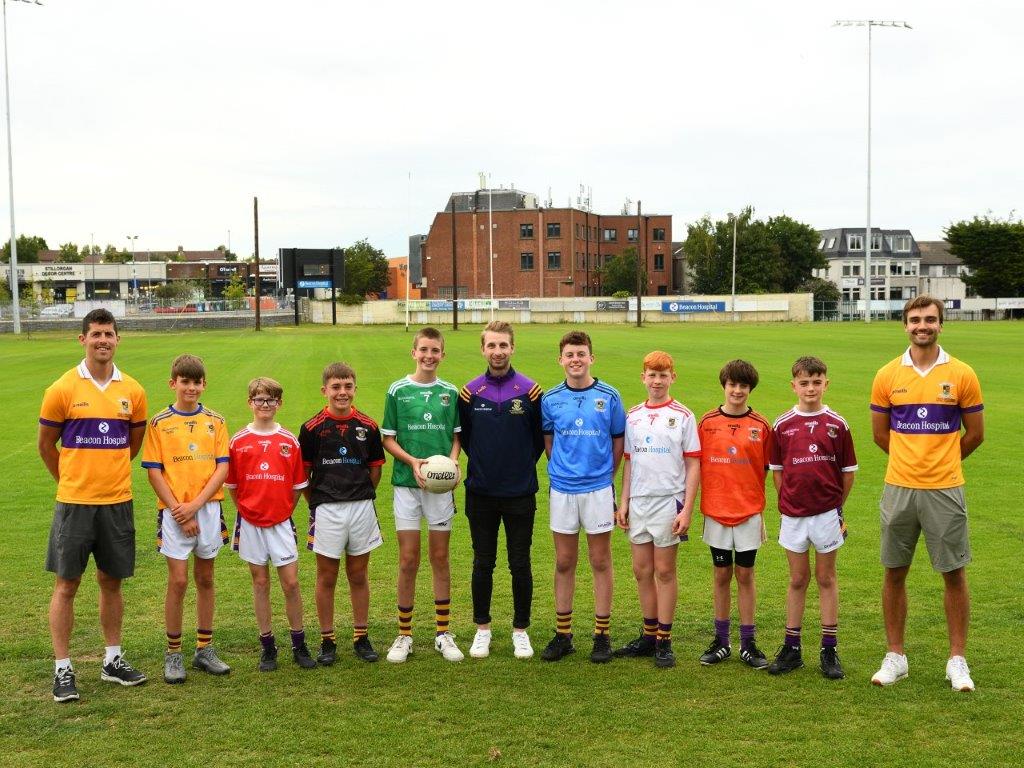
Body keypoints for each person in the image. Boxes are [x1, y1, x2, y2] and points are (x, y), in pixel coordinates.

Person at [869, 295, 984, 692]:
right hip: (899, 487)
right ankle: (895, 657)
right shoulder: (887, 375)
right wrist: (910, 461)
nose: (923, 326)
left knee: (953, 573)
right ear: (905, 325)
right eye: (916, 320)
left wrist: (944, 461)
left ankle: (957, 660)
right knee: (894, 571)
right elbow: (880, 435)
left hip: (945, 489)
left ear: (941, 325)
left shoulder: (963, 373)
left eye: (930, 320)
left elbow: (976, 434)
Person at [39, 308, 149, 702]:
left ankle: (112, 660)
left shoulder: (132, 391)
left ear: (118, 339)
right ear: (82, 339)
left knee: (111, 582)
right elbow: (45, 446)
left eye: (109, 334)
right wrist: (71, 479)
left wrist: (106, 475)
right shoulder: (62, 389)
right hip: (74, 504)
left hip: (117, 502)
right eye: (96, 334)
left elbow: (132, 446)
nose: (103, 340)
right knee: (67, 584)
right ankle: (63, 668)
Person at [457, 321, 544, 660]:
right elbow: (465, 439)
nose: (497, 352)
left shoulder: (530, 391)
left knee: (520, 563)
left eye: (503, 345)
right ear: (483, 349)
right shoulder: (469, 392)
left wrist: (519, 465)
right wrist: (485, 465)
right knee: (483, 562)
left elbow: (538, 440)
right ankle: (482, 629)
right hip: (481, 492)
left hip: (520, 492)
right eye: (491, 346)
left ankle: (521, 631)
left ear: (512, 348)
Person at [142, 354, 231, 684]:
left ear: (204, 385)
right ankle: (173, 653)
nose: (191, 387)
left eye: (197, 382)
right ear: (173, 383)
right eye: (185, 381)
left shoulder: (216, 421)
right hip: (173, 511)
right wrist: (180, 510)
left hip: (205, 508)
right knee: (178, 581)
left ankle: (204, 649)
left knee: (206, 578)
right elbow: (154, 472)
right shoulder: (159, 423)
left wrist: (195, 505)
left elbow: (222, 467)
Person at [767, 356, 857, 680]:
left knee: (826, 577)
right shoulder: (782, 425)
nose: (810, 388)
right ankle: (791, 648)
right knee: (797, 579)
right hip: (793, 515)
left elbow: (848, 474)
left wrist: (833, 505)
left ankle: (829, 649)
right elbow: (777, 472)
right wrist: (790, 500)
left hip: (826, 514)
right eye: (804, 382)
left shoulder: (837, 424)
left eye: (816, 382)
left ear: (826, 384)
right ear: (794, 386)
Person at [540, 330, 626, 663]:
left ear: (592, 357)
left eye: (581, 354)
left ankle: (601, 635)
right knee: (564, 561)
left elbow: (618, 442)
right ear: (560, 360)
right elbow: (550, 443)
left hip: (598, 489)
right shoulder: (550, 399)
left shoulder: (609, 396)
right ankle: (563, 634)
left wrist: (606, 476)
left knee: (600, 560)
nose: (576, 360)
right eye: (570, 355)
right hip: (562, 489)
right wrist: (563, 471)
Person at [381, 327, 464, 663]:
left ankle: (443, 633)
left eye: (435, 351)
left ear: (442, 354)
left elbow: (457, 436)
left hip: (440, 488)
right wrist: (413, 462)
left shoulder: (450, 392)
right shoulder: (397, 391)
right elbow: (388, 438)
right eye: (424, 350)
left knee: (440, 558)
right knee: (408, 559)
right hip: (406, 484)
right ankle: (404, 635)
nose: (429, 356)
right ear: (413, 352)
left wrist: (453, 465)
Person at [613, 351, 700, 669]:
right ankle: (649, 636)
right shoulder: (633, 415)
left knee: (664, 571)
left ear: (672, 378)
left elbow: (693, 465)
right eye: (652, 374)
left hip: (668, 502)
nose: (657, 380)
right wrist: (623, 503)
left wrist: (687, 509)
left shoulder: (683, 416)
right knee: (641, 571)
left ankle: (664, 639)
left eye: (663, 375)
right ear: (643, 378)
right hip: (639, 502)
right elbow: (630, 463)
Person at [299, 362, 386, 666]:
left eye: (348, 386)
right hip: (326, 510)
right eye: (336, 387)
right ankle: (327, 640)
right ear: (325, 390)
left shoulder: (368, 426)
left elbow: (375, 469)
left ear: (354, 388)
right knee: (326, 576)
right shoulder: (311, 428)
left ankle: (361, 637)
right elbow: (305, 474)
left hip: (361, 508)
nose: (342, 392)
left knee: (359, 574)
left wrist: (358, 493)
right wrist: (319, 501)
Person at [226, 377, 313, 671]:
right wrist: (248, 510)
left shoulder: (289, 441)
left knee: (290, 582)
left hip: (281, 523)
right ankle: (267, 646)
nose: (265, 405)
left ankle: (299, 644)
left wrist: (283, 509)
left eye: (271, 400)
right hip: (250, 523)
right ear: (250, 403)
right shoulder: (238, 441)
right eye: (260, 400)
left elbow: (299, 485)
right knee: (260, 582)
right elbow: (233, 486)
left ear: (279, 403)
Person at [695, 359, 773, 669]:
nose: (737, 390)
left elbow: (768, 468)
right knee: (721, 575)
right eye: (732, 384)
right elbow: (694, 465)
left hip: (748, 512)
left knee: (745, 574)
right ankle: (721, 641)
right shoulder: (707, 423)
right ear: (724, 385)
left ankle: (748, 643)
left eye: (743, 385)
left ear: (750, 388)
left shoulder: (761, 426)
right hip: (716, 511)